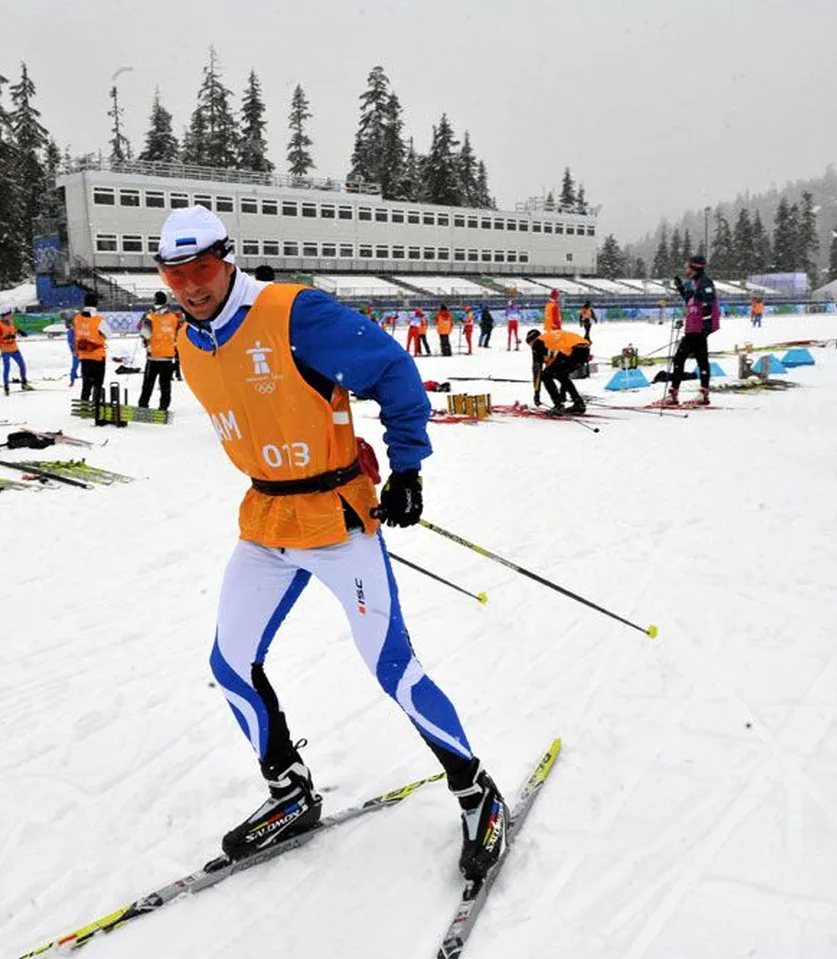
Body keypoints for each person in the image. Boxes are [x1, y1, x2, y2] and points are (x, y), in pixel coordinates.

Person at [154, 205, 508, 882]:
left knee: (392, 667)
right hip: (265, 520)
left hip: (336, 521)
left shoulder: (294, 312)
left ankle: (476, 792)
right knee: (230, 663)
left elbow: (394, 371)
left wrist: (406, 466)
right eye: (177, 275)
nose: (192, 286)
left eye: (202, 268)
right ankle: (289, 791)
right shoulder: (186, 336)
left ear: (227, 259)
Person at [666, 254, 720, 407]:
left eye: (688, 266)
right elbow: (690, 299)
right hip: (692, 327)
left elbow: (708, 302)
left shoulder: (704, 282)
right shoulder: (693, 283)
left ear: (695, 267)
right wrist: (681, 288)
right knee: (700, 359)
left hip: (698, 328)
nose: (686, 269)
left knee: (680, 359)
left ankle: (674, 395)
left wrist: (706, 325)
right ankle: (702, 394)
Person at [527, 328, 589, 413]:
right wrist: (562, 392)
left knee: (545, 375)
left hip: (570, 350)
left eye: (528, 343)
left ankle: (558, 406)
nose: (530, 347)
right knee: (560, 374)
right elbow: (560, 369)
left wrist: (537, 393)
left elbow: (537, 370)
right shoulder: (550, 339)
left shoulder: (538, 342)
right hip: (583, 349)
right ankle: (578, 403)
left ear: (532, 340)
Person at [138, 291, 180, 410]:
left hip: (153, 356)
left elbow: (145, 334)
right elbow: (177, 334)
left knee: (148, 385)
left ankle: (143, 406)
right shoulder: (173, 318)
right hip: (168, 356)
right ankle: (163, 407)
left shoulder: (150, 317)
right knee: (165, 385)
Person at [72, 302, 107, 404]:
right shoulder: (98, 319)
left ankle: (84, 403)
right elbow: (109, 334)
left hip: (84, 355)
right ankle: (96, 404)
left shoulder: (77, 318)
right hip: (97, 356)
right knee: (98, 383)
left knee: (86, 383)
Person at [0, 307, 32, 394]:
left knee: (22, 365)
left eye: (11, 314)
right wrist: (2, 341)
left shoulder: (11, 322)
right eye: (9, 315)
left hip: (14, 348)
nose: (11, 316)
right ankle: (6, 386)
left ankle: (24, 383)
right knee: (7, 368)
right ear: (5, 316)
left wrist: (20, 331)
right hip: (5, 349)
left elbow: (13, 329)